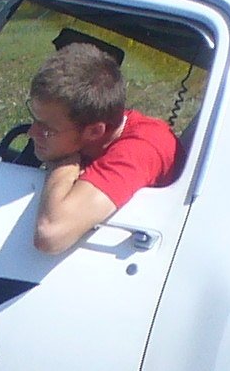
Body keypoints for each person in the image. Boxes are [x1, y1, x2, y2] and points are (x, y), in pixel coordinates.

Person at [26, 43, 181, 255]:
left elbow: (51, 235)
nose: (31, 133)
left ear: (94, 132)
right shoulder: (93, 127)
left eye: (47, 129)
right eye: (34, 119)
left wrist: (64, 162)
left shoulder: (141, 148)